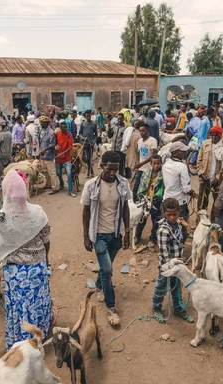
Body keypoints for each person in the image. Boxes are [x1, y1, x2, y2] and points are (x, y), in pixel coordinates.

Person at [0, 170, 53, 350]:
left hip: (16, 275)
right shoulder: (38, 212)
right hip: (39, 268)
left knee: (20, 308)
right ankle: (40, 333)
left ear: (5, 194)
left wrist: (3, 246)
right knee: (39, 301)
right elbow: (46, 240)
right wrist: (45, 262)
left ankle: (22, 344)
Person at [81, 151, 131, 326]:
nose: (113, 173)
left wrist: (128, 232)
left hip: (116, 234)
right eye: (109, 169)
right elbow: (86, 211)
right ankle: (111, 307)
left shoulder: (123, 183)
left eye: (116, 169)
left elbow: (125, 208)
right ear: (102, 166)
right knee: (108, 270)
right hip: (99, 234)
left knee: (105, 267)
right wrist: (86, 236)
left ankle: (99, 285)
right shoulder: (91, 185)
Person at [151, 198, 194, 324]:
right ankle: (156, 307)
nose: (172, 217)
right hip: (167, 266)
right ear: (164, 213)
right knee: (161, 287)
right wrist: (173, 267)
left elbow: (181, 239)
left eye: (174, 214)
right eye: (168, 214)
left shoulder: (179, 224)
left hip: (178, 264)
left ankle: (178, 308)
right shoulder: (163, 230)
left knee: (177, 288)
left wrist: (187, 229)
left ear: (179, 212)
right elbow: (164, 253)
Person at [135, 155, 164, 248]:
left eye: (158, 163)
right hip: (145, 199)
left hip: (156, 201)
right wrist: (141, 195)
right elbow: (141, 186)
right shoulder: (146, 173)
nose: (156, 165)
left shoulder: (163, 175)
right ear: (150, 164)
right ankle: (137, 236)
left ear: (161, 163)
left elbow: (163, 188)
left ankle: (153, 239)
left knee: (156, 221)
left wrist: (158, 195)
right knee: (141, 220)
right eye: (154, 163)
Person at [196, 126, 223, 213]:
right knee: (202, 201)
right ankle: (200, 220)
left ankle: (213, 222)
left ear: (220, 136)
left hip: (217, 180)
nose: (214, 138)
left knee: (217, 202)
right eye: (212, 135)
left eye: (216, 136)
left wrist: (218, 178)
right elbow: (199, 160)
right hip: (205, 178)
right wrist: (201, 174)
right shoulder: (205, 144)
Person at [162, 142, 193, 221]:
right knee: (182, 225)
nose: (185, 153)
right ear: (175, 153)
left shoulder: (166, 164)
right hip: (179, 201)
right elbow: (186, 189)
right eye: (182, 151)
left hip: (167, 199)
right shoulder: (182, 166)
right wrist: (193, 193)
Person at [132, 123, 158, 202]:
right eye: (140, 131)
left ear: (148, 131)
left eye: (143, 131)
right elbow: (139, 154)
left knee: (148, 188)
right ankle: (135, 203)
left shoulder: (152, 141)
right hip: (141, 168)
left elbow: (152, 155)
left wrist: (141, 164)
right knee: (136, 187)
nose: (141, 132)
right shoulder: (139, 141)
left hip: (150, 169)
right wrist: (137, 163)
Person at [38, 116, 59, 195]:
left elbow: (53, 144)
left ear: (47, 123)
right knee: (45, 171)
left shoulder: (51, 132)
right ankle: (48, 184)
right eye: (41, 123)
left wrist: (45, 150)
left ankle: (55, 187)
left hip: (49, 155)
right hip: (43, 155)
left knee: (52, 172)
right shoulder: (41, 131)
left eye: (43, 123)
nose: (41, 124)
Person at [55, 122, 77, 197]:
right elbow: (54, 143)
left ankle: (70, 190)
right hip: (58, 157)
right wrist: (55, 146)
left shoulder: (69, 134)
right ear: (60, 128)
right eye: (64, 128)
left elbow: (70, 147)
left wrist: (62, 153)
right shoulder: (57, 134)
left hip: (67, 157)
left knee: (69, 173)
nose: (66, 129)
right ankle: (61, 184)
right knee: (58, 173)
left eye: (66, 127)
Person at [79, 111, 98, 178]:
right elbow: (80, 134)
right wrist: (83, 138)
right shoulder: (83, 123)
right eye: (87, 116)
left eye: (89, 116)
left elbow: (96, 135)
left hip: (91, 144)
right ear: (85, 116)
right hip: (84, 143)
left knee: (89, 158)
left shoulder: (94, 124)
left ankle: (89, 173)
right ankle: (92, 172)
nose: (88, 117)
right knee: (84, 158)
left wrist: (93, 141)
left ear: (91, 116)